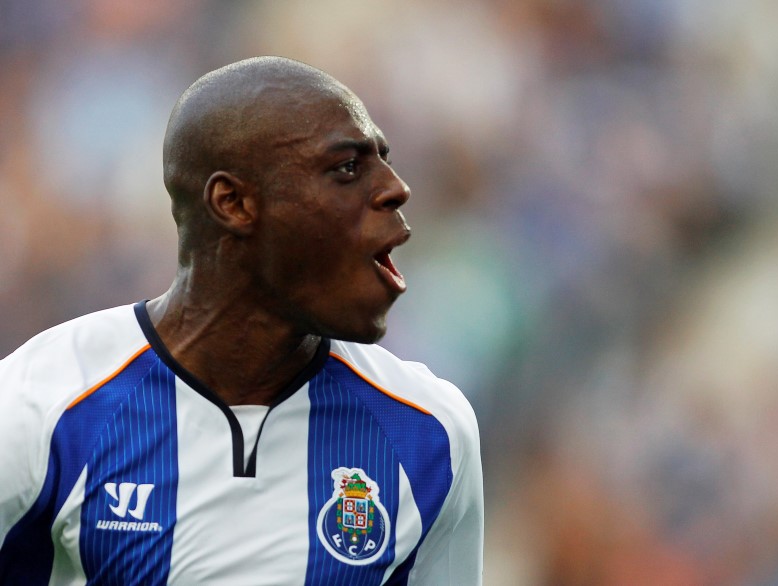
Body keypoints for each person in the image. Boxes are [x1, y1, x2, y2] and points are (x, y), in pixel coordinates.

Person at [0, 57, 483, 585]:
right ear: (233, 202)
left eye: (383, 160)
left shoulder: (430, 432)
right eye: (348, 167)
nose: (396, 188)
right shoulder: (39, 411)